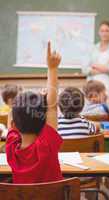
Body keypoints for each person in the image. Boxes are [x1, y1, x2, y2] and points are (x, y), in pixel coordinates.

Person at [6, 42, 63, 183]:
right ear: (44, 122)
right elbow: (52, 106)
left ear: (13, 124)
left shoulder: (11, 147)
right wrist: (52, 68)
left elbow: (12, 116)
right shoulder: (46, 144)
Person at [82, 21, 109, 96]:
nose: (104, 33)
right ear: (99, 33)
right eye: (102, 31)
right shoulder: (91, 48)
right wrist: (105, 67)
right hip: (92, 86)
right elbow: (84, 69)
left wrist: (94, 65)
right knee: (94, 106)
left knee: (108, 107)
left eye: (107, 31)